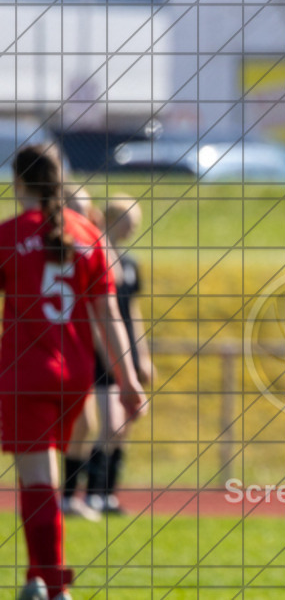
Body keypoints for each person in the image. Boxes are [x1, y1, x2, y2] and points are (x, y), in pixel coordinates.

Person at [0, 144, 145, 600]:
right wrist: (130, 381)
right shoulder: (89, 234)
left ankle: (55, 587)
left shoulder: (9, 235)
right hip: (75, 376)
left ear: (18, 181)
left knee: (38, 481)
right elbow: (110, 318)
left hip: (27, 372)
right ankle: (35, 580)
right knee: (40, 478)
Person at [84, 195, 156, 515]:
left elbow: (133, 313)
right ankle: (90, 493)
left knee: (124, 424)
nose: (134, 228)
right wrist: (111, 353)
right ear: (112, 220)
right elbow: (94, 311)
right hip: (103, 355)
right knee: (109, 423)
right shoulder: (94, 259)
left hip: (124, 352)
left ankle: (108, 493)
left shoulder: (129, 264)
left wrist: (141, 354)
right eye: (130, 221)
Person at [59, 187, 103, 523]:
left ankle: (68, 496)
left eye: (84, 210)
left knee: (85, 424)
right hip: (51, 350)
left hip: (76, 352)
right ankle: (62, 498)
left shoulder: (88, 248)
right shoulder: (52, 247)